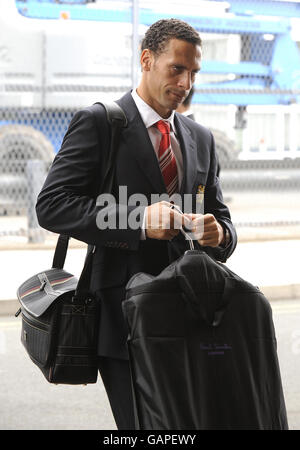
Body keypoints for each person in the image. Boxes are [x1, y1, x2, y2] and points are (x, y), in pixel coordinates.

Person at [36, 18, 237, 430]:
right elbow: (53, 205)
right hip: (123, 316)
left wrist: (221, 234)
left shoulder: (200, 137)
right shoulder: (100, 123)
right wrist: (138, 221)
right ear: (147, 60)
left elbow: (222, 217)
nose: (186, 83)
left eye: (193, 73)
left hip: (191, 311)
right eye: (176, 69)